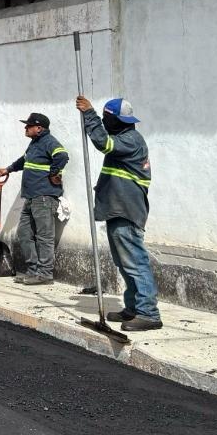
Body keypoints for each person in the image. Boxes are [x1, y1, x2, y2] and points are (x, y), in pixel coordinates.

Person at [76, 95, 160, 331]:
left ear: (116, 120)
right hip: (117, 209)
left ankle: (149, 313)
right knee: (124, 263)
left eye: (106, 118)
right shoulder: (124, 136)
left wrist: (90, 115)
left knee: (135, 262)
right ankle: (133, 307)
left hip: (127, 211)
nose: (105, 122)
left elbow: (103, 143)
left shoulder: (131, 140)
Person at [0, 112, 68, 285]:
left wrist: (53, 173)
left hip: (44, 197)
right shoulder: (35, 144)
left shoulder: (49, 142)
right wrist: (9, 169)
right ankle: (33, 271)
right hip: (31, 197)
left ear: (39, 128)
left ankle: (45, 274)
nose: (25, 128)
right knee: (24, 233)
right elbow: (24, 161)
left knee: (44, 237)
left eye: (28, 126)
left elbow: (62, 156)